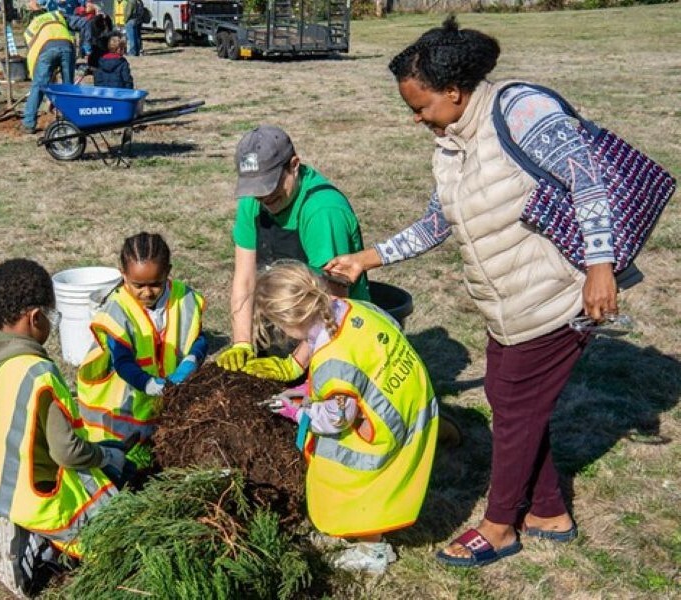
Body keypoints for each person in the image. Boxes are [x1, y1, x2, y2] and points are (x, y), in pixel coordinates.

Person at [325, 16, 628, 568]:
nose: (417, 119)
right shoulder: (451, 144)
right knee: (515, 405)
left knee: (512, 410)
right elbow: (437, 223)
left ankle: (498, 525)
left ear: (454, 91)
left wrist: (600, 266)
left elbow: (590, 177)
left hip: (556, 294)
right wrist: (365, 258)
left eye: (421, 107)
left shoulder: (521, 111)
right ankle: (548, 510)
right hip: (506, 303)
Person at [253, 261, 438, 574]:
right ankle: (356, 531)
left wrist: (298, 411)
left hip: (386, 425)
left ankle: (373, 548)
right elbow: (360, 368)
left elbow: (337, 418)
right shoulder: (348, 308)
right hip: (411, 397)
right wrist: (309, 387)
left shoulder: (331, 358)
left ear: (288, 322)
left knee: (345, 472)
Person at [0, 258, 133, 597]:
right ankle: (33, 549)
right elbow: (67, 451)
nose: (53, 326)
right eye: (52, 317)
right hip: (38, 499)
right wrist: (106, 457)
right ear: (35, 318)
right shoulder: (37, 373)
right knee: (116, 525)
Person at [215, 124, 371, 383]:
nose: (264, 196)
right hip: (286, 320)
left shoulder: (322, 211)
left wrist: (296, 363)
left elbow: (334, 298)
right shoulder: (253, 200)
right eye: (256, 189)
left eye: (271, 185)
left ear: (294, 165)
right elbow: (244, 278)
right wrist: (242, 342)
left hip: (334, 329)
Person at [76, 232, 207, 472]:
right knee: (129, 467)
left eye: (155, 284)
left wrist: (192, 358)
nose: (147, 292)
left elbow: (198, 336)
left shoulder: (184, 298)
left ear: (168, 271)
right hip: (121, 415)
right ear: (123, 274)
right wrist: (147, 383)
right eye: (138, 285)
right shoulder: (117, 309)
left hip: (165, 405)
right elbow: (122, 360)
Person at [20, 0, 86, 134]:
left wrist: (36, 74)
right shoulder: (56, 15)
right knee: (68, 86)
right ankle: (71, 120)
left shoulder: (31, 27)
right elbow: (81, 23)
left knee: (38, 86)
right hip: (67, 46)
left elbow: (33, 53)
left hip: (46, 50)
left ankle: (28, 122)